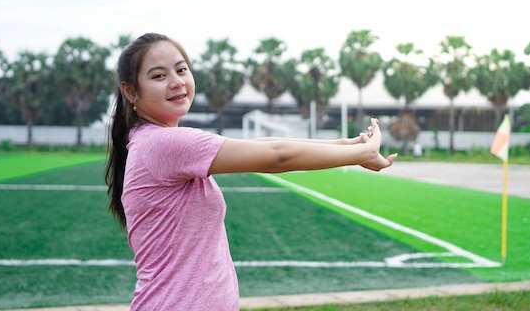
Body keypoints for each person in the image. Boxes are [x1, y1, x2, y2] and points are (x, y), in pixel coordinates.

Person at [105, 32, 397, 310]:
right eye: (159, 76)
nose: (176, 82)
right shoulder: (163, 143)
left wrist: (345, 145)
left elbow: (260, 145)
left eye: (181, 70)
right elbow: (277, 157)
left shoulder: (152, 141)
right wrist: (361, 153)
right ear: (130, 91)